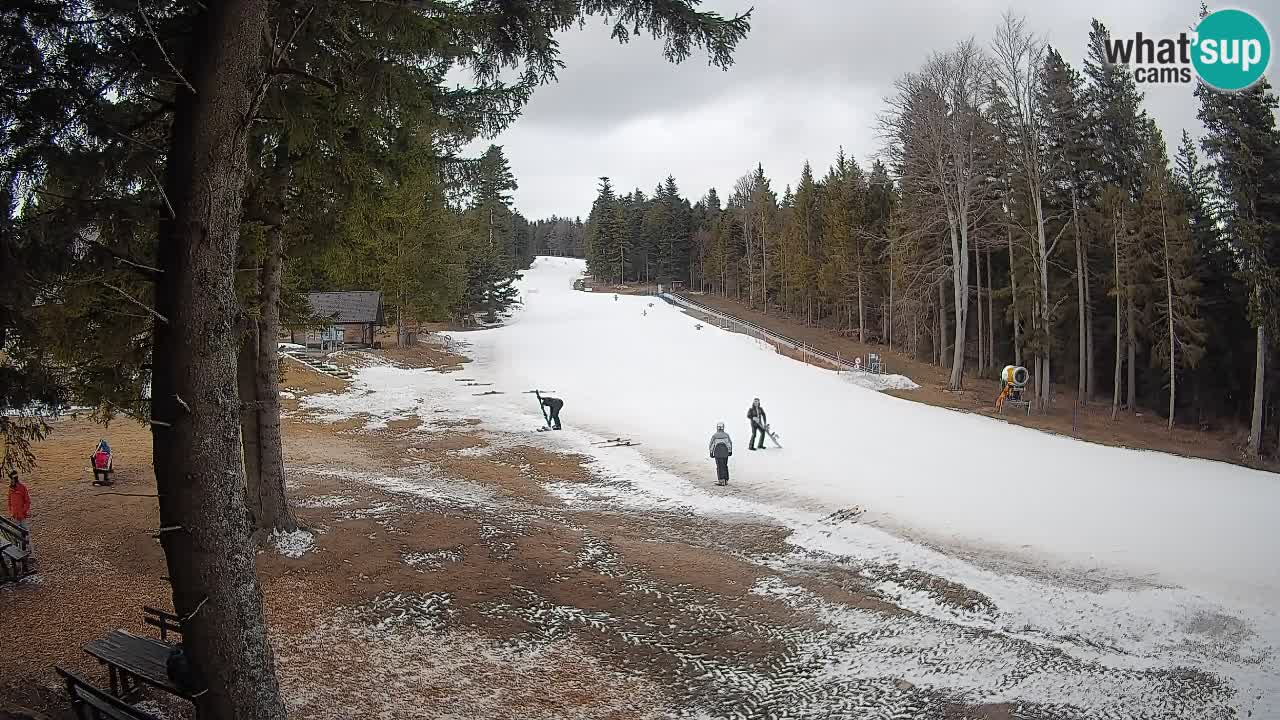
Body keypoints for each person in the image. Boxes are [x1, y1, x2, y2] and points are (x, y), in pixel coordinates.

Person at [8, 470, 31, 551]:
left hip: (22, 516)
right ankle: (18, 550)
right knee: (15, 535)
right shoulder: (10, 489)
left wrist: (23, 511)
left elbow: (27, 501)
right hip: (14, 516)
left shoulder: (22, 488)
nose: (10, 481)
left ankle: (28, 551)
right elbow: (9, 502)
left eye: (11, 479)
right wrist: (11, 512)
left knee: (26, 533)